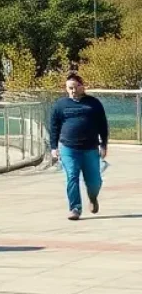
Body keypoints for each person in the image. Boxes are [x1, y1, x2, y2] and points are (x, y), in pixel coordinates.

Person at [49, 72, 109, 220]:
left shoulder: (93, 103)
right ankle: (75, 208)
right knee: (72, 177)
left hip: (90, 148)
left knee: (95, 181)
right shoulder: (60, 105)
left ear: (82, 87)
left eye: (75, 87)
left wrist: (104, 144)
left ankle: (93, 197)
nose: (73, 91)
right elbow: (54, 127)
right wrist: (53, 147)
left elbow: (103, 125)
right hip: (69, 148)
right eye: (70, 88)